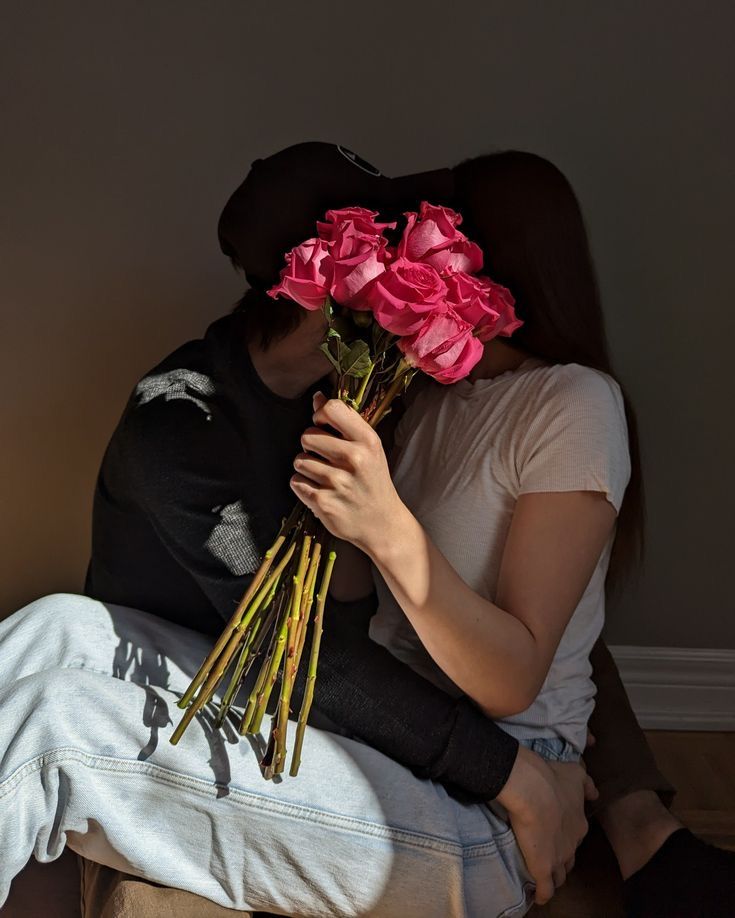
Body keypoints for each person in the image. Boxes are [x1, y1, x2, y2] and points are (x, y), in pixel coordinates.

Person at [0, 144, 729, 916]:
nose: (423, 267)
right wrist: (344, 512)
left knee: (54, 725)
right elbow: (343, 618)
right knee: (54, 628)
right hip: (366, 725)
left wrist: (580, 786)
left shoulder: (542, 400)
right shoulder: (249, 420)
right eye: (399, 254)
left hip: (473, 800)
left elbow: (541, 641)